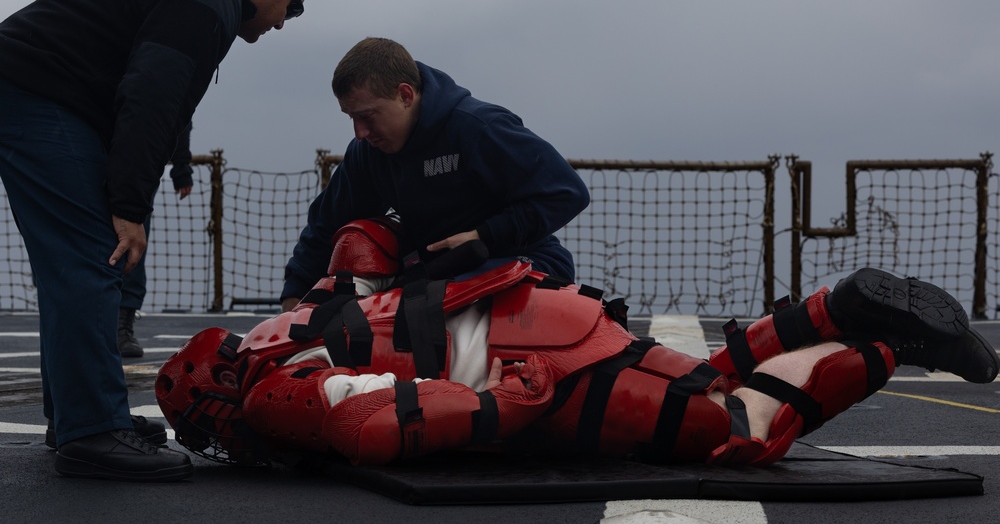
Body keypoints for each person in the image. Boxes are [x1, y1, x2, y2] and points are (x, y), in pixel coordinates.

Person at [156, 219, 999, 468]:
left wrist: (501, 406)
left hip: (535, 365)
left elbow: (381, 424)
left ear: (218, 399)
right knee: (705, 379)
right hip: (538, 311)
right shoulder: (292, 314)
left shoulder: (269, 392)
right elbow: (362, 244)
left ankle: (886, 344)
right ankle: (837, 306)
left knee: (728, 431)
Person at [0, 0, 319, 482]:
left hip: (42, 93)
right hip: (37, 94)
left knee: (78, 262)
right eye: (291, 9)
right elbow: (152, 96)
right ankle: (92, 430)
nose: (280, 24)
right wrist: (128, 206)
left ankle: (80, 416)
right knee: (94, 257)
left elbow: (158, 100)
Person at [279, 37, 590, 312]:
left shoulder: (477, 128)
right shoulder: (368, 153)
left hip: (519, 261)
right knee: (367, 308)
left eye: (367, 116)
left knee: (435, 308)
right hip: (436, 278)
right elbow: (326, 224)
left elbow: (567, 192)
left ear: (405, 95)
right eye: (350, 118)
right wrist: (295, 297)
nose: (359, 132)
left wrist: (484, 235)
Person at [118, 122, 195, 358]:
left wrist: (181, 167)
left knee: (132, 242)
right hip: (90, 146)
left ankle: (122, 324)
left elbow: (179, 107)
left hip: (137, 158)